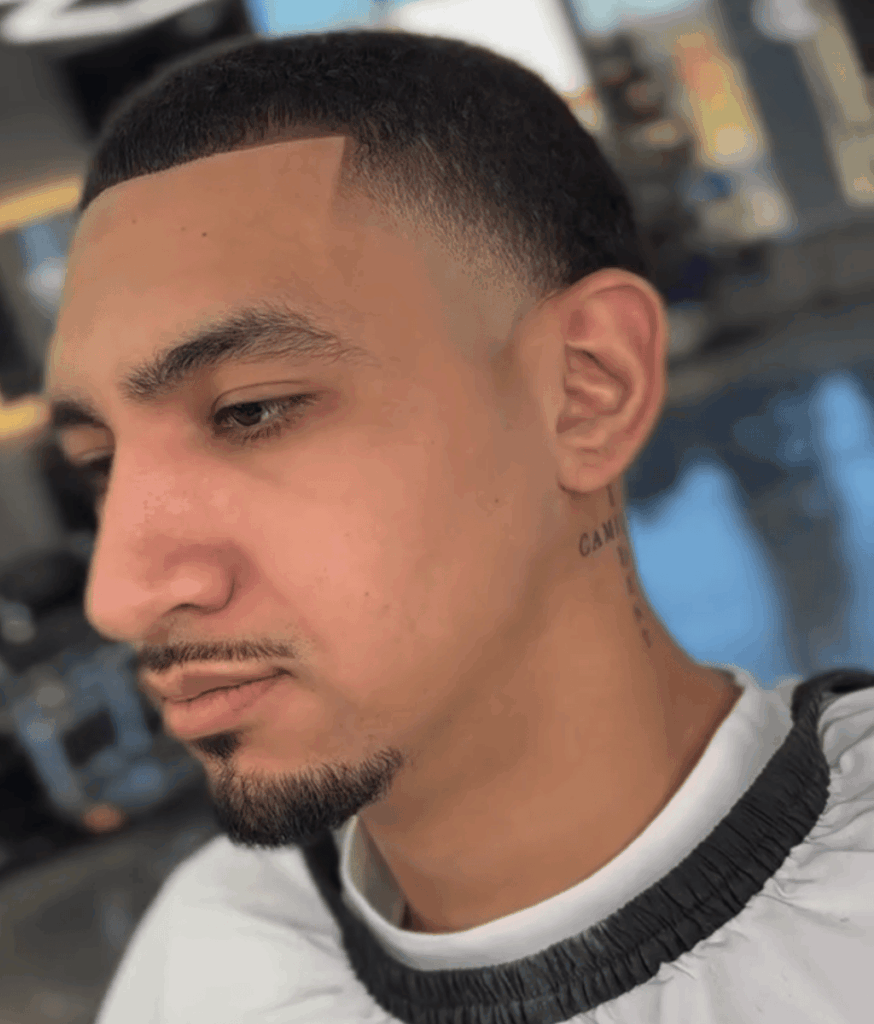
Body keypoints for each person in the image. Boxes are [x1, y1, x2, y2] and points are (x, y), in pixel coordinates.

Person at [42, 30, 874, 1024]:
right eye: (100, 465)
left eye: (252, 411)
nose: (121, 593)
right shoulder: (207, 957)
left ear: (585, 388)